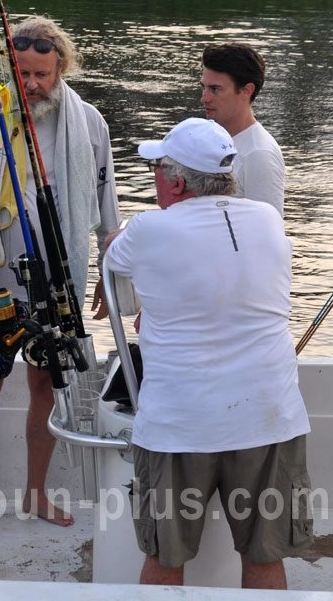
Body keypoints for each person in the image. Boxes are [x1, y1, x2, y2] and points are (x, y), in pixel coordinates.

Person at [104, 118, 312, 589]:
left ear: (176, 181)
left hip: (180, 424)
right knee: (265, 557)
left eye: (156, 167)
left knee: (164, 558)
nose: (153, 175)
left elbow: (114, 256)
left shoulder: (148, 229)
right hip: (269, 417)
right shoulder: (268, 218)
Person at [0, 15, 121, 545]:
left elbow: (106, 209)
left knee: (47, 390)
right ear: (8, 69)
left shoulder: (89, 123)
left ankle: (35, 493)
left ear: (61, 67)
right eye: (21, 73)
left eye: (41, 73)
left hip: (58, 289)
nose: (32, 85)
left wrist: (109, 278)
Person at [200, 43, 285, 216]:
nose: (204, 98)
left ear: (246, 91)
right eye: (204, 87)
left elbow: (268, 232)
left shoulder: (259, 154)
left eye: (215, 89)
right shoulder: (211, 140)